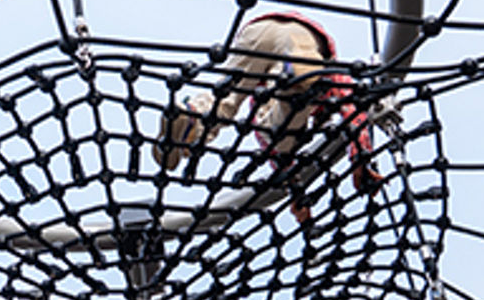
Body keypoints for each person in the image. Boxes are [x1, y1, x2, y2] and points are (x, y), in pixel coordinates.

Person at [153, 12, 378, 220]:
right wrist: (360, 157)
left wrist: (296, 193)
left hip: (258, 29)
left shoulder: (260, 101)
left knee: (227, 98)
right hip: (305, 38)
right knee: (283, 131)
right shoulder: (328, 86)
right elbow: (354, 107)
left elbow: (274, 153)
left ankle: (192, 115)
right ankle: (296, 77)